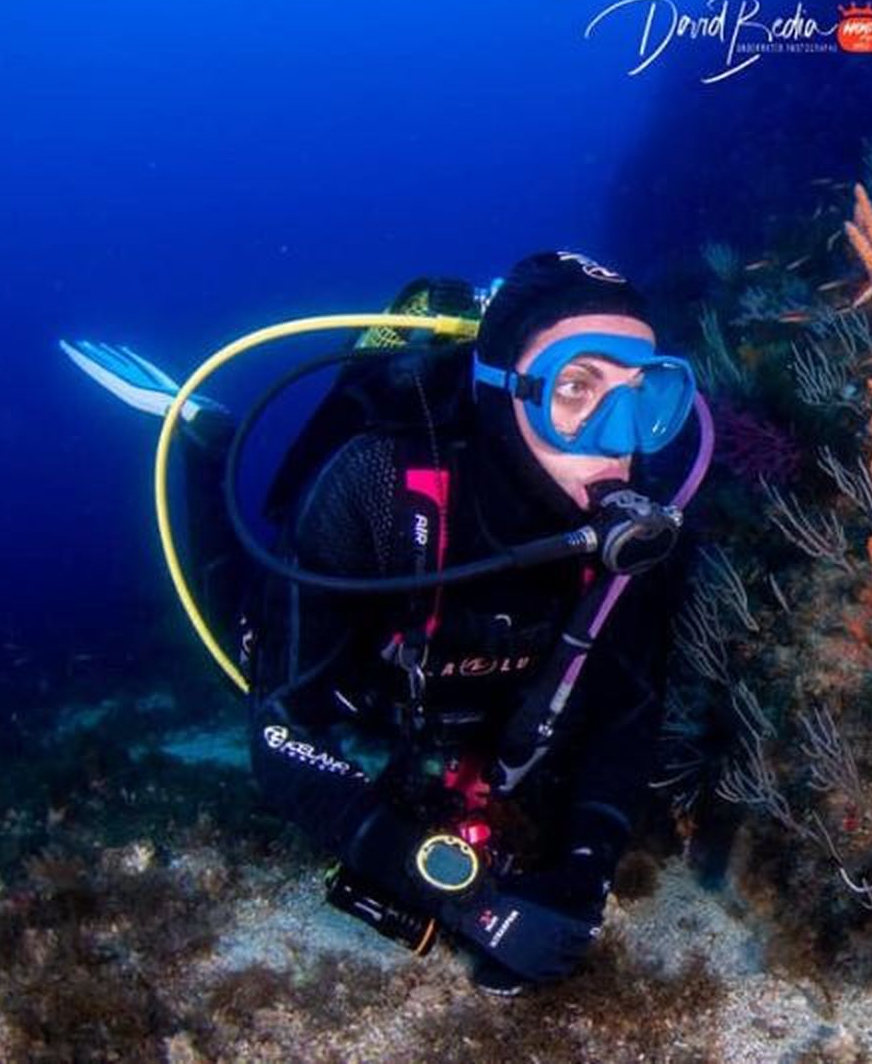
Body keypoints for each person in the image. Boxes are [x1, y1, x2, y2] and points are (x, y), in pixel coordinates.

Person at [61, 252, 705, 994]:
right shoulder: (375, 482)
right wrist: (468, 903)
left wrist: (583, 878)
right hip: (368, 676)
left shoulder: (641, 518)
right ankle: (206, 438)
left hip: (484, 689)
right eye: (574, 389)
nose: (618, 439)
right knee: (236, 631)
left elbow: (628, 708)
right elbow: (280, 733)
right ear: (502, 392)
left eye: (643, 394)